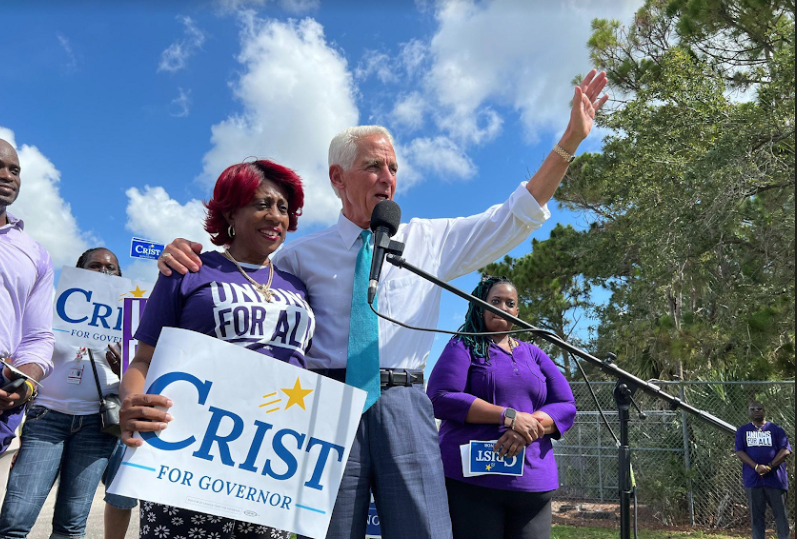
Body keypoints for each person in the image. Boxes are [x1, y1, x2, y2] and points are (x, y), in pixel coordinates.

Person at [158, 69, 609, 539]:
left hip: (406, 405)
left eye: (393, 168)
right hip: (326, 405)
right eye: (374, 166)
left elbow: (515, 216)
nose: (387, 178)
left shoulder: (431, 243)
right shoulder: (298, 256)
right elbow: (239, 271)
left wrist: (569, 143)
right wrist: (181, 253)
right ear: (338, 177)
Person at [119, 160, 313, 539]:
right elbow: (144, 358)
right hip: (188, 458)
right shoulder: (189, 270)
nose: (275, 216)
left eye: (283, 208)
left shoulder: (298, 287)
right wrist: (132, 400)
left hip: (268, 464)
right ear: (229, 212)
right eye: (261, 204)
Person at [426, 275, 576, 539]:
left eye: (510, 303)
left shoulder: (534, 353)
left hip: (532, 485)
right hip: (473, 484)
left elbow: (565, 404)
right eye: (495, 301)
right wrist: (509, 416)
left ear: (517, 312)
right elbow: (440, 396)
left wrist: (528, 427)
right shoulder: (463, 345)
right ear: (480, 306)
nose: (503, 308)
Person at [0, 248, 125, 539]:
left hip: (97, 424)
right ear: (79, 270)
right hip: (47, 418)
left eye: (111, 268)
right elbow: (26, 352)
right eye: (95, 266)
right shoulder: (53, 304)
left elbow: (139, 373)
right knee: (15, 520)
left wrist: (123, 369)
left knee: (71, 525)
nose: (104, 272)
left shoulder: (127, 318)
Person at [0, 137, 55, 499]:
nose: (7, 176)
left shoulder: (34, 253)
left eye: (14, 169)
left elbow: (38, 337)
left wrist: (24, 384)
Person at [735, 401, 792, 539]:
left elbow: (785, 450)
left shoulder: (776, 429)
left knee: (781, 515)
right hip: (754, 480)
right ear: (748, 412)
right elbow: (740, 451)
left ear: (764, 411)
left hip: (775, 480)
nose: (756, 411)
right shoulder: (743, 430)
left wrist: (769, 466)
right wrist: (756, 466)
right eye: (752, 409)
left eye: (759, 408)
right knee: (757, 516)